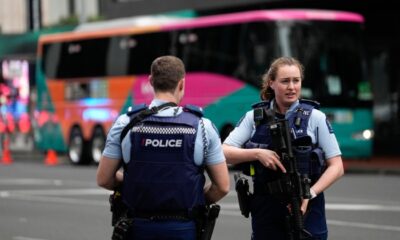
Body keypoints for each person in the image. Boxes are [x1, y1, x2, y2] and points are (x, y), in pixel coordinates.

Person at [96, 55, 230, 240]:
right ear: (182, 84)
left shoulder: (125, 123)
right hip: (183, 228)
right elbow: (222, 187)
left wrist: (138, 183)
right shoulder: (203, 127)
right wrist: (194, 200)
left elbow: (104, 179)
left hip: (137, 226)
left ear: (151, 82)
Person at [223, 57, 344, 240]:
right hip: (266, 209)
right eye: (285, 81)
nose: (291, 87)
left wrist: (309, 194)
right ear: (271, 83)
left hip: (306, 206)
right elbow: (224, 151)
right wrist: (257, 153)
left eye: (296, 80)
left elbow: (337, 166)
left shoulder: (315, 117)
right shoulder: (255, 117)